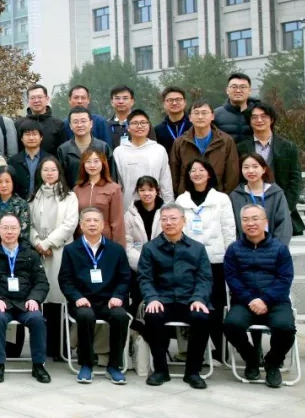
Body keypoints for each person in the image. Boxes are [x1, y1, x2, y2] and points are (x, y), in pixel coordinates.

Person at [138, 203, 213, 389]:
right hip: (162, 299)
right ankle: (160, 370)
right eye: (164, 219)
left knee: (202, 317)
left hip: (189, 300)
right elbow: (145, 278)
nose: (168, 223)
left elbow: (204, 278)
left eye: (173, 218)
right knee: (153, 316)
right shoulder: (150, 248)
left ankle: (193, 372)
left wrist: (199, 298)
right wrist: (152, 298)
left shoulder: (197, 248)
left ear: (183, 221)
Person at [223, 204, 296, 388]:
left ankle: (273, 363)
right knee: (231, 325)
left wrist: (265, 300)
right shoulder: (233, 249)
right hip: (245, 301)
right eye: (246, 220)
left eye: (255, 218)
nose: (250, 223)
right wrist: (250, 299)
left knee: (285, 328)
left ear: (265, 221)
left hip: (275, 301)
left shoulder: (280, 249)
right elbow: (232, 278)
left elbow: (285, 279)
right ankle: (251, 359)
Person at [58, 208, 133, 385]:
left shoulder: (116, 249)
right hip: (82, 301)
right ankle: (86, 364)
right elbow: (65, 279)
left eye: (96, 220)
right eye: (88, 220)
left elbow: (125, 277)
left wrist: (118, 296)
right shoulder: (71, 250)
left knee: (120, 317)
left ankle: (114, 366)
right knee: (85, 316)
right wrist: (76, 297)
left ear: (103, 225)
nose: (92, 224)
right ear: (81, 225)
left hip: (109, 300)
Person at [0, 214, 51, 384]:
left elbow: (42, 283)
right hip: (1, 303)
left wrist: (34, 299)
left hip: (25, 303)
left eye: (13, 228)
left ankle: (38, 365)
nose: (9, 232)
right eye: (5, 228)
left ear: (19, 230)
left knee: (38, 319)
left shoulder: (31, 254)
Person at [175, 158, 237, 361]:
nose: (197, 173)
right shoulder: (181, 200)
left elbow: (229, 230)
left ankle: (221, 350)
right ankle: (195, 352)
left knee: (216, 307)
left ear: (209, 173)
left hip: (216, 260)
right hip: (189, 261)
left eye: (201, 170)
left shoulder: (221, 199)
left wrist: (229, 256)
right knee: (193, 305)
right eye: (193, 170)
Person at [27, 156, 79, 359]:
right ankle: (45, 347)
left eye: (53, 170)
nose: (49, 173)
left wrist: (48, 243)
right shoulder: (34, 197)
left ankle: (62, 348)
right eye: (45, 170)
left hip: (60, 252)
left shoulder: (69, 197)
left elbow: (70, 224)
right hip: (39, 253)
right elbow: (28, 224)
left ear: (59, 173)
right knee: (43, 299)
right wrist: (38, 243)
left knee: (60, 299)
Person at [238, 102, 305, 236]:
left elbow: (295, 180)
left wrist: (286, 208)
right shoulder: (240, 148)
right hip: (250, 209)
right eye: (254, 117)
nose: (259, 120)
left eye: (264, 116)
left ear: (272, 119)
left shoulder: (288, 147)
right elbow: (238, 179)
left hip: (281, 206)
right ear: (249, 121)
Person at [170, 100, 239, 194]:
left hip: (216, 195)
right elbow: (174, 173)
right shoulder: (180, 142)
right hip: (187, 196)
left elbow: (232, 174)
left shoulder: (226, 141)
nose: (200, 117)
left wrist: (225, 196)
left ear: (212, 116)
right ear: (190, 117)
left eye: (204, 113)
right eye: (196, 113)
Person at [113, 109, 174, 210]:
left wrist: (169, 207)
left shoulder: (158, 150)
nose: (139, 126)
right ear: (128, 127)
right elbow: (118, 184)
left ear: (149, 126)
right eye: (135, 123)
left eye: (143, 123)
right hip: (128, 208)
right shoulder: (119, 152)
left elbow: (165, 182)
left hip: (155, 208)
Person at [229, 153, 293, 245]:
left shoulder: (276, 194)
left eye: (255, 166)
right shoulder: (235, 196)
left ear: (263, 169)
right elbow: (231, 226)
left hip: (273, 249)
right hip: (244, 249)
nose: (250, 171)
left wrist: (275, 248)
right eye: (246, 167)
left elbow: (284, 225)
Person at [124, 176, 164, 312]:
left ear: (157, 191)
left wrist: (158, 262)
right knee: (137, 297)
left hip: (162, 265)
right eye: (142, 190)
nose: (146, 193)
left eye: (150, 190)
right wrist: (143, 264)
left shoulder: (166, 212)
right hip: (137, 265)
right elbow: (128, 244)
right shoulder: (129, 215)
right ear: (137, 192)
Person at [73, 148, 125, 245]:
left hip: (105, 240)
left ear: (103, 163)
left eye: (96, 161)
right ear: (83, 165)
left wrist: (119, 249)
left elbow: (118, 223)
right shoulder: (77, 189)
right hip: (81, 240)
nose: (92, 165)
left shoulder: (114, 188)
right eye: (88, 162)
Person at [58, 108, 119, 186]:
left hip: (100, 191)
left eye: (83, 121)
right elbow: (61, 178)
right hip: (73, 192)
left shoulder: (103, 147)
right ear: (70, 125)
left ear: (91, 123)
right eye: (75, 122)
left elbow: (112, 176)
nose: (79, 125)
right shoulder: (64, 150)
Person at [0, 166, 33, 244]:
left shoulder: (22, 205)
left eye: (7, 181)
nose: (4, 185)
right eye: (0, 181)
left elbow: (24, 234)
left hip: (16, 248)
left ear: (13, 182)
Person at [19, 84, 68, 156]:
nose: (36, 101)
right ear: (28, 101)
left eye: (40, 97)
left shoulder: (58, 124)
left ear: (47, 99)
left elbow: (62, 153)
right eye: (32, 98)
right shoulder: (19, 124)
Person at [6, 119, 47, 200]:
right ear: (21, 138)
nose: (31, 138)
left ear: (41, 137)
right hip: (19, 204)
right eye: (27, 134)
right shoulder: (13, 161)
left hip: (43, 203)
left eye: (34, 134)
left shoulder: (49, 160)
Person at [214, 73, 259, 145]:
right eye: (234, 87)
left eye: (243, 87)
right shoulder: (215, 115)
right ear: (227, 90)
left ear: (249, 91)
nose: (238, 90)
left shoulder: (259, 114)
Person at [154, 87, 191, 154]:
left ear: (185, 102)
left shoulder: (194, 126)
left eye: (178, 99)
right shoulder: (158, 130)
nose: (174, 103)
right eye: (170, 100)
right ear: (164, 104)